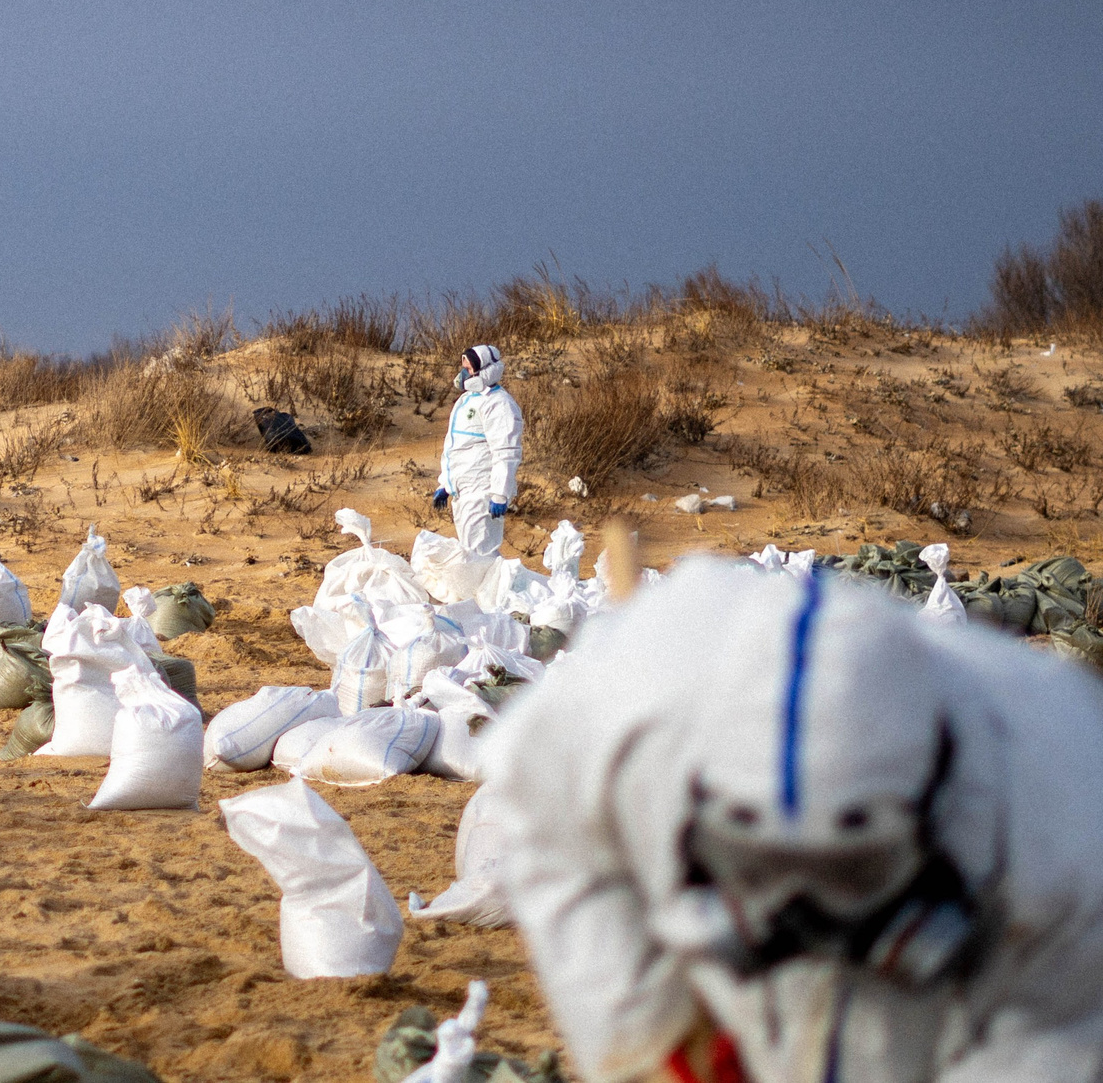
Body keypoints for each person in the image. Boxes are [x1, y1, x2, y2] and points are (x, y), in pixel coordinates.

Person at [488, 557, 1103, 1083]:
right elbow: (549, 836)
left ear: (933, 805)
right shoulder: (617, 713)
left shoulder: (1065, 800)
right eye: (757, 865)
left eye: (850, 869)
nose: (801, 910)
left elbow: (1058, 1039)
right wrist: (646, 1035)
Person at [433, 343, 521, 557]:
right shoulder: (466, 400)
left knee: (481, 555)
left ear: (484, 370)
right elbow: (456, 447)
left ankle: (494, 590)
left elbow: (506, 451)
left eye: (469, 368)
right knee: (471, 553)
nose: (463, 372)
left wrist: (500, 493)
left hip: (482, 491)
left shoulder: (499, 403)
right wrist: (446, 484)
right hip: (462, 492)